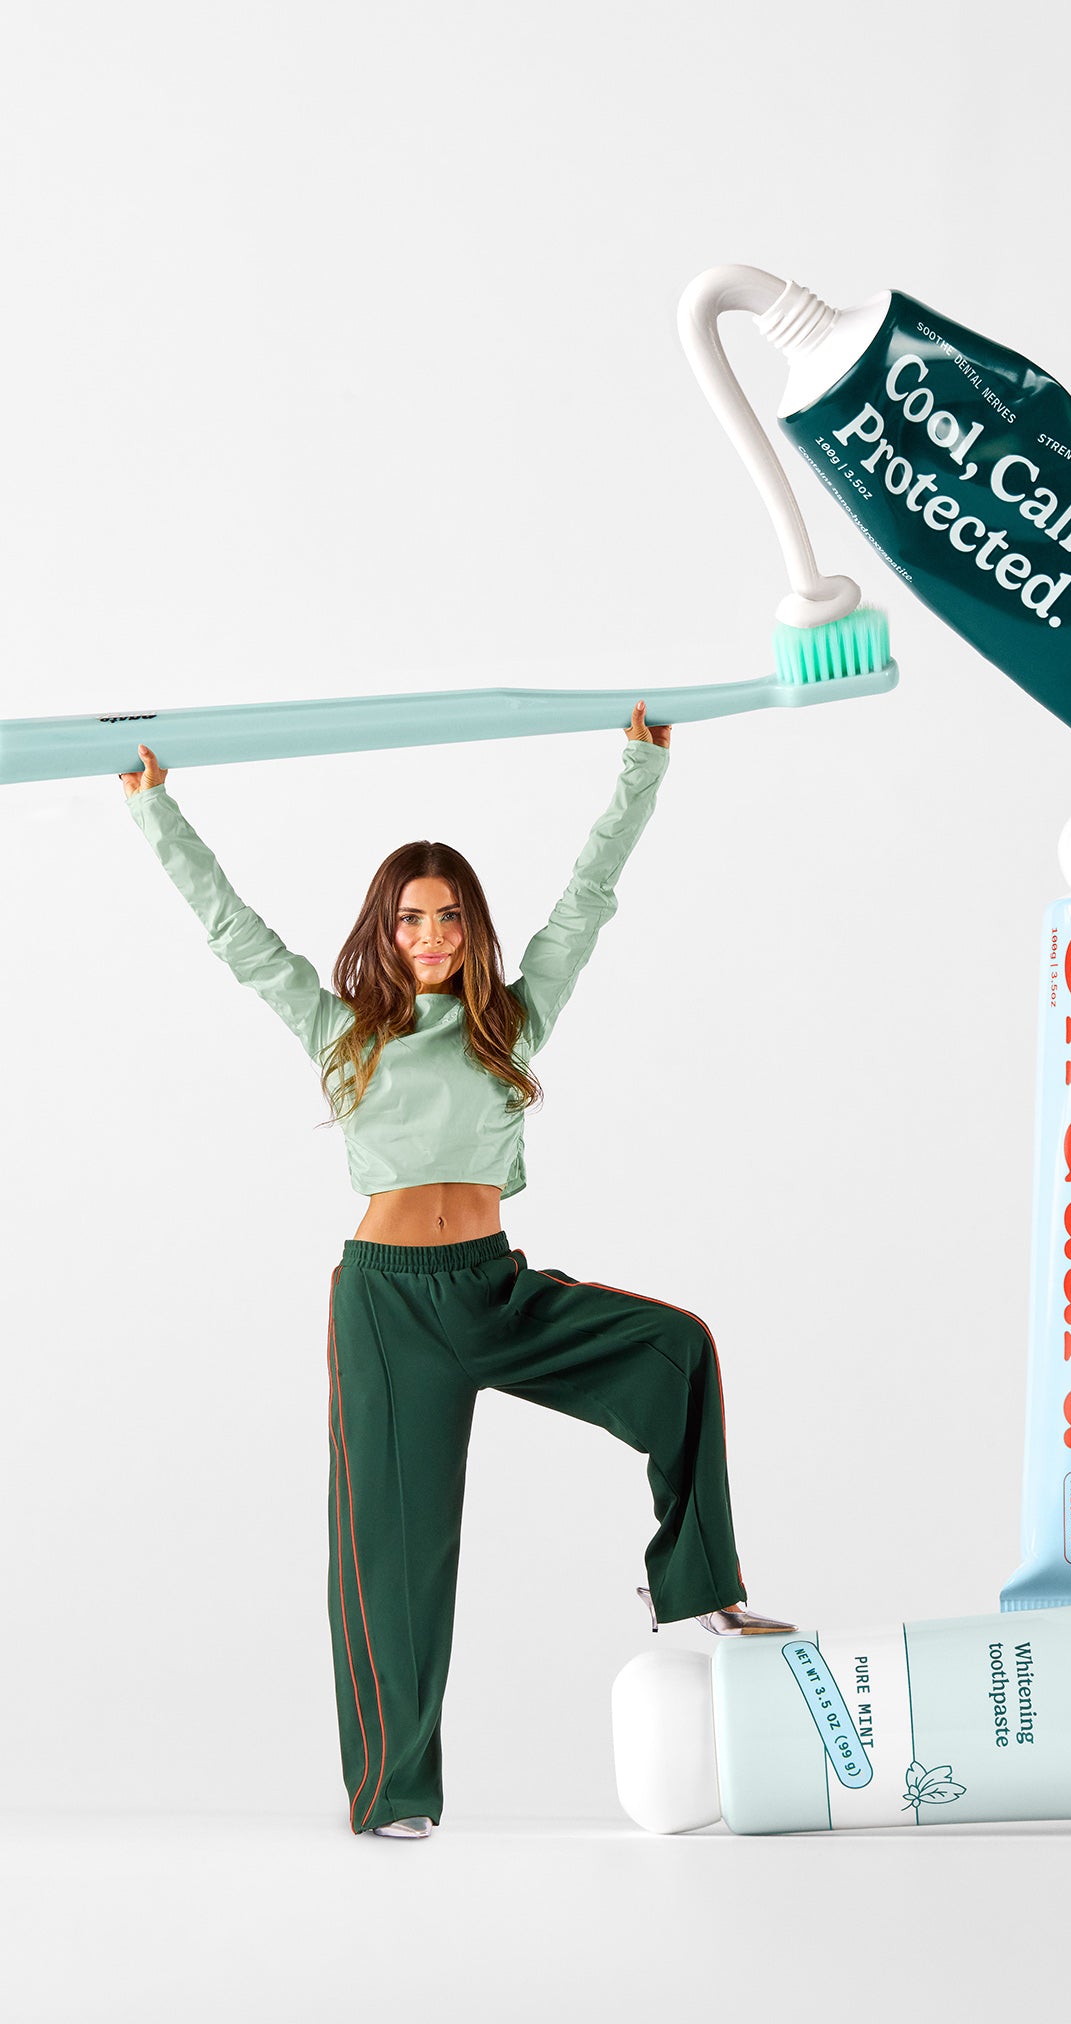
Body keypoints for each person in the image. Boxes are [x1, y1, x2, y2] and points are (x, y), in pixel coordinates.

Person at [121, 705, 791, 1840]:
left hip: (492, 1290)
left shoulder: (509, 1026)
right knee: (396, 1556)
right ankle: (394, 1792)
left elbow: (588, 902)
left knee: (675, 1348)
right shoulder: (345, 1033)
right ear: (384, 934)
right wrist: (155, 808)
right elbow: (235, 931)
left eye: (448, 916)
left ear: (472, 928)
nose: (430, 934)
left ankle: (699, 1586)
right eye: (410, 918)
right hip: (387, 1306)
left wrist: (640, 767)